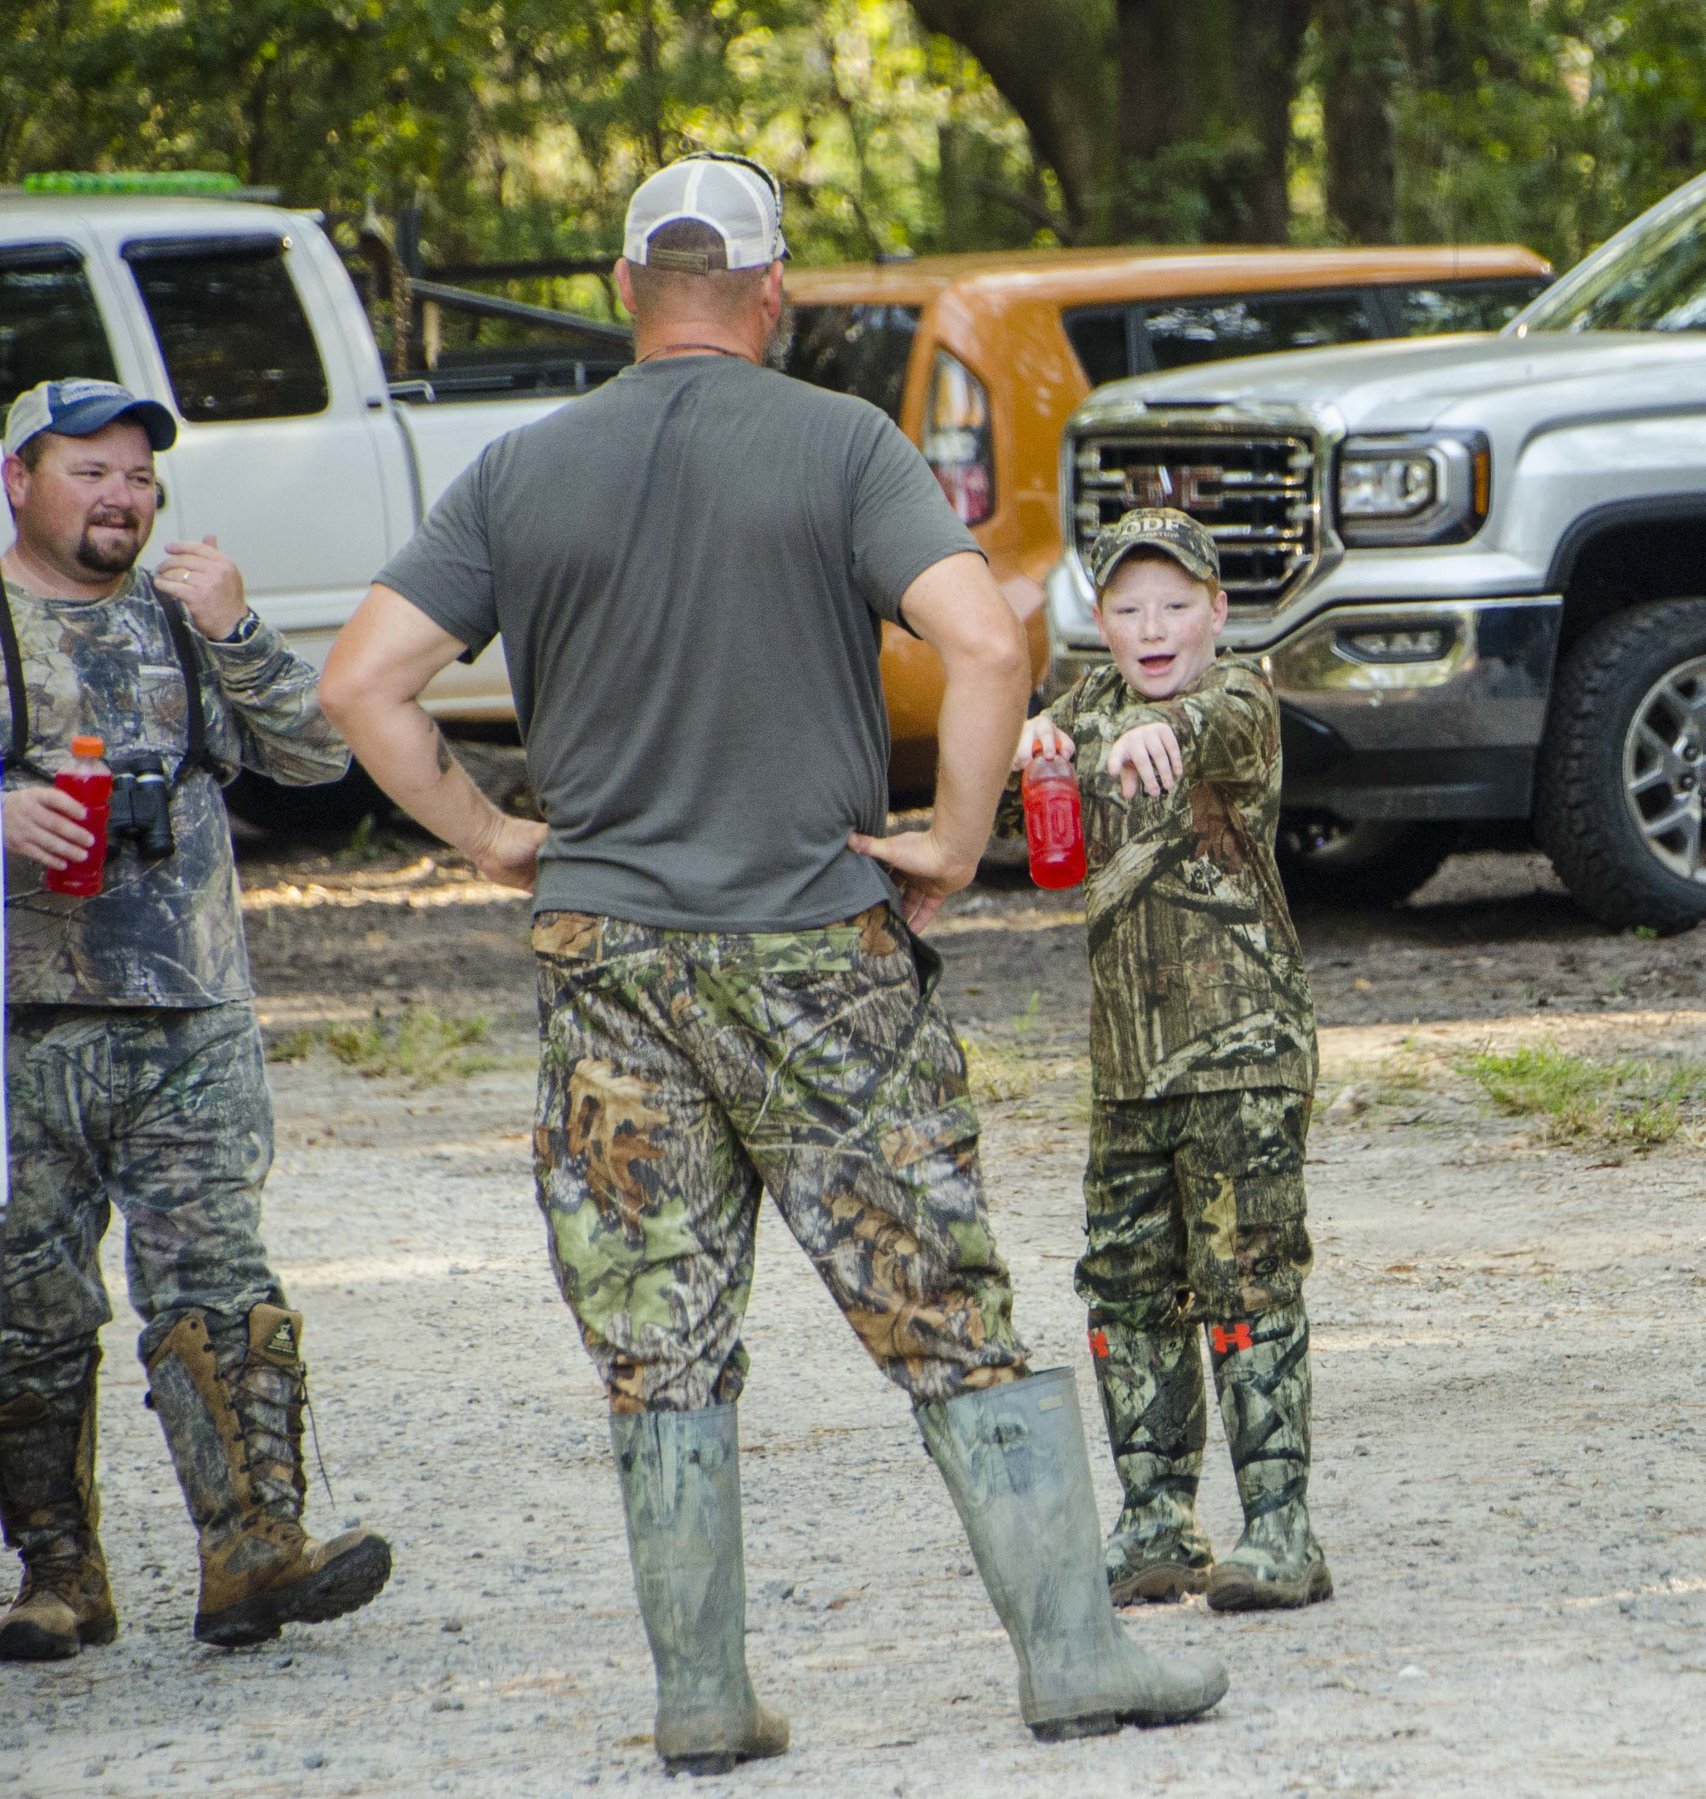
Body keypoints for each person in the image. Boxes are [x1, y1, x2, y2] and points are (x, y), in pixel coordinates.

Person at [317, 154, 1222, 1773]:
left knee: (659, 1336)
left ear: (620, 289)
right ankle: (1075, 1653)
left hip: (609, 963)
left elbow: (367, 680)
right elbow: (989, 638)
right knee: (941, 1298)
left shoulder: (520, 470)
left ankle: (703, 1695)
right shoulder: (840, 442)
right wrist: (950, 840)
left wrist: (488, 833)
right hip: (815, 946)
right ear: (770, 289)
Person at [0, 379, 392, 1659]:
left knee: (217, 1286)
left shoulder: (183, 622)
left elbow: (320, 763)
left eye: (138, 476)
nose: (121, 496)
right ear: (18, 480)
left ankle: (252, 1551)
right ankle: (58, 1577)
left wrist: (239, 630)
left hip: (189, 1019)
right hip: (18, 1030)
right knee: (27, 1309)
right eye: (88, 471)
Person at [1012, 508, 1328, 1613]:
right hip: (1128, 1066)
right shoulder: (1089, 701)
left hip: (1240, 1052)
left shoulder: (1240, 696)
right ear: (1099, 619)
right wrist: (1037, 743)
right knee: (1126, 1282)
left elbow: (1202, 731)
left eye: (1177, 605)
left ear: (1217, 613)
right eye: (1129, 608)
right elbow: (1046, 741)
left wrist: (1161, 735)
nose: (1153, 628)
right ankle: (1155, 1519)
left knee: (1247, 1279)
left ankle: (1281, 1527)